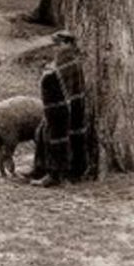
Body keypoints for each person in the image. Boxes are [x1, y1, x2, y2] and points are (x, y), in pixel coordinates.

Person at [29, 30, 87, 187]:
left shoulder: (70, 62)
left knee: (57, 139)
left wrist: (48, 74)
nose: (55, 47)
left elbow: (68, 87)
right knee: (41, 133)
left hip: (65, 109)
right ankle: (40, 168)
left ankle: (57, 174)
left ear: (68, 44)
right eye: (54, 44)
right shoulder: (60, 60)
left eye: (59, 44)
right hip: (54, 108)